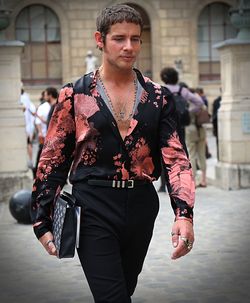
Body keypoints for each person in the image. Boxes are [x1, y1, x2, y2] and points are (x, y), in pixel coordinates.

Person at [31, 5, 195, 303]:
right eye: (119, 38)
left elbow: (176, 158)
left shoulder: (159, 97)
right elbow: (53, 158)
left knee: (124, 289)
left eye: (135, 38)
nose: (129, 46)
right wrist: (41, 219)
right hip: (92, 204)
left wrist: (184, 214)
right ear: (100, 39)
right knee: (112, 297)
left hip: (142, 205)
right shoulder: (74, 95)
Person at [159, 67, 203, 192]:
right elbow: (199, 102)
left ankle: (164, 185)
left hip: (164, 127)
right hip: (179, 127)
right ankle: (181, 184)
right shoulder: (182, 90)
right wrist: (188, 112)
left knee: (163, 155)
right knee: (181, 155)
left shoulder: (161, 90)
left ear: (163, 77)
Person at [32, 88, 51, 178]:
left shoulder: (44, 107)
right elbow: (38, 122)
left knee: (42, 156)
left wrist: (40, 132)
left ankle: (38, 173)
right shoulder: (45, 107)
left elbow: (37, 122)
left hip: (46, 135)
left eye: (45, 95)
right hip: (46, 135)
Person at [19, 88, 36, 169]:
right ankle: (30, 161)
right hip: (28, 126)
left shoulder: (22, 99)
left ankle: (29, 161)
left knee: (27, 143)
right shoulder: (27, 100)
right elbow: (33, 113)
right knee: (29, 143)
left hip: (25, 126)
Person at [212, 95, 222, 160]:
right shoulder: (217, 101)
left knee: (218, 142)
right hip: (218, 125)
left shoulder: (216, 101)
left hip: (217, 125)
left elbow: (213, 116)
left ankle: (219, 158)